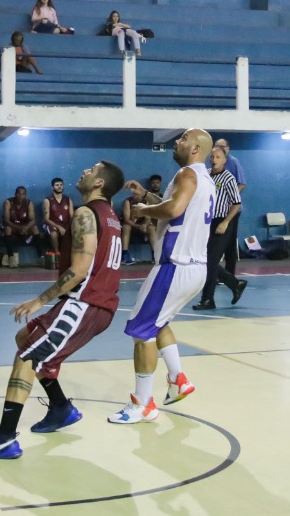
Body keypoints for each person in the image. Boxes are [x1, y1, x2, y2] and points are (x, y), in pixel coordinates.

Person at [0, 161, 126, 460]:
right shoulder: (111, 216)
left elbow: (78, 270)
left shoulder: (85, 214)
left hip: (84, 304)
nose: (84, 172)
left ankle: (4, 440)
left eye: (91, 170)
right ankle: (61, 408)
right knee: (24, 338)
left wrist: (40, 300)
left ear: (100, 183)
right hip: (94, 305)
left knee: (27, 356)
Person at [109, 129, 215, 424]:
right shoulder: (204, 180)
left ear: (194, 149)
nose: (177, 143)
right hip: (196, 269)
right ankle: (178, 378)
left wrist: (145, 208)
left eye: (182, 140)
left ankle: (143, 404)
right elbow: (180, 208)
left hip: (174, 267)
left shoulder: (186, 175)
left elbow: (172, 208)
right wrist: (146, 196)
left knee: (140, 332)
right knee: (159, 323)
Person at [193, 144, 246, 310]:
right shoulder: (207, 176)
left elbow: (236, 203)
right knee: (206, 260)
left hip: (222, 221)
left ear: (224, 160)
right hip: (207, 221)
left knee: (211, 260)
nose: (214, 160)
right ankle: (235, 283)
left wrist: (226, 222)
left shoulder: (228, 178)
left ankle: (208, 299)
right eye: (212, 157)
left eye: (218, 157)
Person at [1, 186, 45, 268]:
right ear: (15, 194)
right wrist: (19, 228)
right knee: (7, 229)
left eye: (23, 194)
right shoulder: (8, 202)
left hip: (24, 227)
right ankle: (11, 257)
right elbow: (6, 221)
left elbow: (33, 220)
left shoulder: (29, 203)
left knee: (34, 228)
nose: (21, 196)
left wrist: (26, 228)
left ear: (25, 195)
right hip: (12, 226)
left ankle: (41, 257)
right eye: (19, 194)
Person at [42, 177, 73, 261]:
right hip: (51, 223)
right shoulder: (47, 200)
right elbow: (46, 219)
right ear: (52, 187)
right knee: (54, 234)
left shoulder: (68, 199)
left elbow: (72, 216)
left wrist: (70, 228)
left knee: (75, 232)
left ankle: (71, 256)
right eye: (57, 185)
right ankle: (57, 255)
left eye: (61, 185)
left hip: (65, 224)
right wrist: (59, 227)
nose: (59, 187)